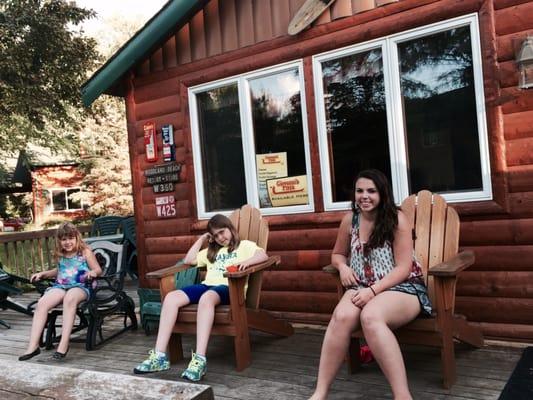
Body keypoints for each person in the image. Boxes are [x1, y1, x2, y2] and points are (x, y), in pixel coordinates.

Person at [309, 169, 432, 400]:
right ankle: (320, 392)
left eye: (371, 191)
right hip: (360, 286)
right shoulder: (350, 220)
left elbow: (403, 268)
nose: (364, 196)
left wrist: (373, 291)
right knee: (341, 317)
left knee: (370, 317)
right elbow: (337, 254)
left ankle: (402, 396)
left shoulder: (396, 219)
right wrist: (343, 267)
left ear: (383, 194)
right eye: (360, 191)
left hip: (403, 287)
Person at [133, 214, 268, 381]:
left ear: (231, 229)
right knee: (171, 298)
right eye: (216, 235)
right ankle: (159, 356)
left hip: (229, 288)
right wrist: (202, 238)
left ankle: (199, 359)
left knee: (206, 298)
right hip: (207, 285)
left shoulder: (244, 246)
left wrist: (247, 262)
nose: (220, 237)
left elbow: (263, 255)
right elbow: (189, 260)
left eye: (222, 232)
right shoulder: (212, 252)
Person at [19, 222, 102, 361]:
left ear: (77, 238)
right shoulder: (61, 255)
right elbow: (60, 271)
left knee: (69, 299)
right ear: (59, 241)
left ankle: (64, 344)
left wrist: (93, 272)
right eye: (64, 239)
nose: (67, 242)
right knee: (42, 303)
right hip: (61, 285)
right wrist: (44, 274)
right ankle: (33, 347)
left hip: (81, 286)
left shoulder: (85, 252)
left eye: (70, 238)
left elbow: (98, 269)